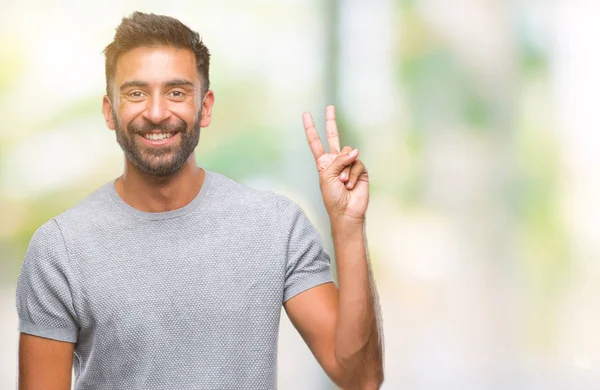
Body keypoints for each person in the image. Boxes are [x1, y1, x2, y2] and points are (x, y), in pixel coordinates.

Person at [15, 11, 384, 390]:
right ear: (110, 111)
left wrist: (348, 225)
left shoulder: (275, 226)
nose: (157, 113)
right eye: (136, 93)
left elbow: (361, 377)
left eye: (176, 92)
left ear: (204, 107)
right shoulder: (59, 248)